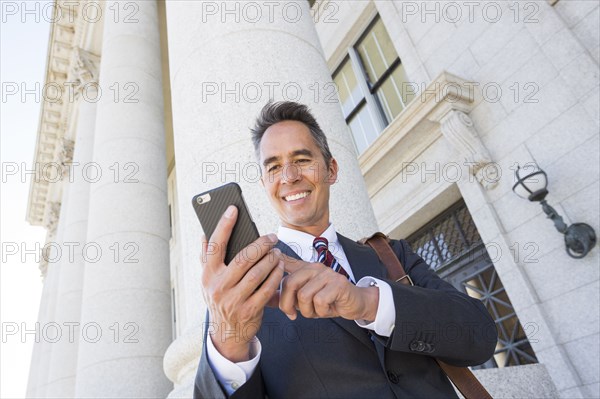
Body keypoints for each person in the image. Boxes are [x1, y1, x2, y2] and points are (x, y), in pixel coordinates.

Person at [194, 101, 497, 398]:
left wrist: (367, 302)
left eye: (301, 160)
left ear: (332, 169)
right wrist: (230, 343)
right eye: (274, 167)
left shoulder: (390, 255)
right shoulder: (243, 286)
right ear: (265, 183)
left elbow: (479, 336)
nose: (288, 176)